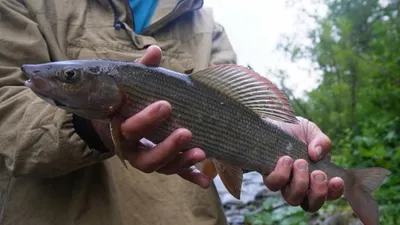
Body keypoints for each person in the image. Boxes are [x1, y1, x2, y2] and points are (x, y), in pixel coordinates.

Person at [0, 0, 344, 224]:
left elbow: (239, 105)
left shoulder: (205, 22)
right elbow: (8, 113)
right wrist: (93, 128)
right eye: (70, 76)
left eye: (70, 76)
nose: (41, 75)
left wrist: (280, 129)